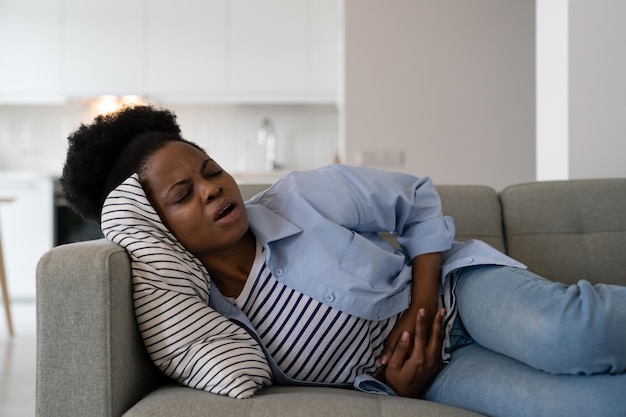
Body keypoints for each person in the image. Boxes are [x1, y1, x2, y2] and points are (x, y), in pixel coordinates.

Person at [61, 105, 626, 417]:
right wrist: (401, 389)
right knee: (573, 407)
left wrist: (422, 304)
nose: (211, 189)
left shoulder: (302, 198)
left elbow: (420, 200)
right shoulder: (206, 322)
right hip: (438, 375)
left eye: (210, 170)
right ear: (153, 224)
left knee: (567, 333)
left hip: (461, 297)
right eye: (182, 195)